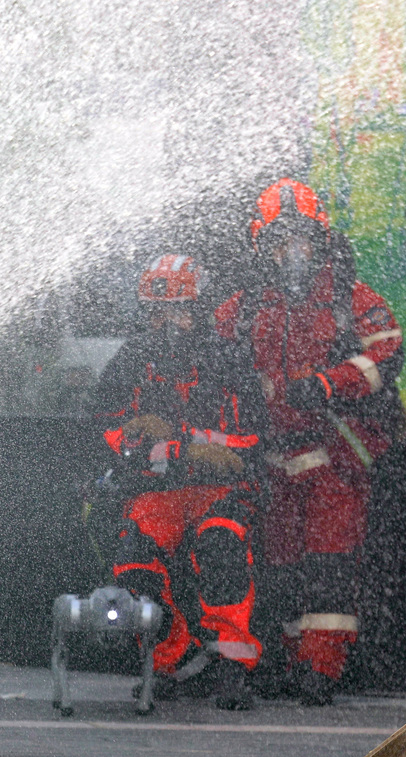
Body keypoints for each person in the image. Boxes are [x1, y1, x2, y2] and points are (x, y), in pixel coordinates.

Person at [214, 178, 406, 705]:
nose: (292, 252)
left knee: (329, 566)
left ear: (320, 240)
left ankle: (320, 668)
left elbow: (388, 352)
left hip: (334, 453)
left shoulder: (349, 297)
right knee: (277, 568)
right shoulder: (243, 308)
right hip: (269, 458)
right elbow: (208, 360)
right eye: (281, 241)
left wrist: (326, 384)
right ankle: (282, 660)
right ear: (261, 246)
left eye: (301, 239)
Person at [94, 253, 267, 710]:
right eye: (157, 312)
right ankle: (173, 660)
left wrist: (180, 442)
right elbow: (108, 430)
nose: (167, 323)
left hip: (219, 491)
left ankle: (232, 667)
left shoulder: (228, 358)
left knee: (220, 541)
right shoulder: (131, 359)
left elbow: (249, 443)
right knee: (135, 560)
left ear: (200, 309)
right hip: (159, 491)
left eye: (179, 310)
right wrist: (168, 448)